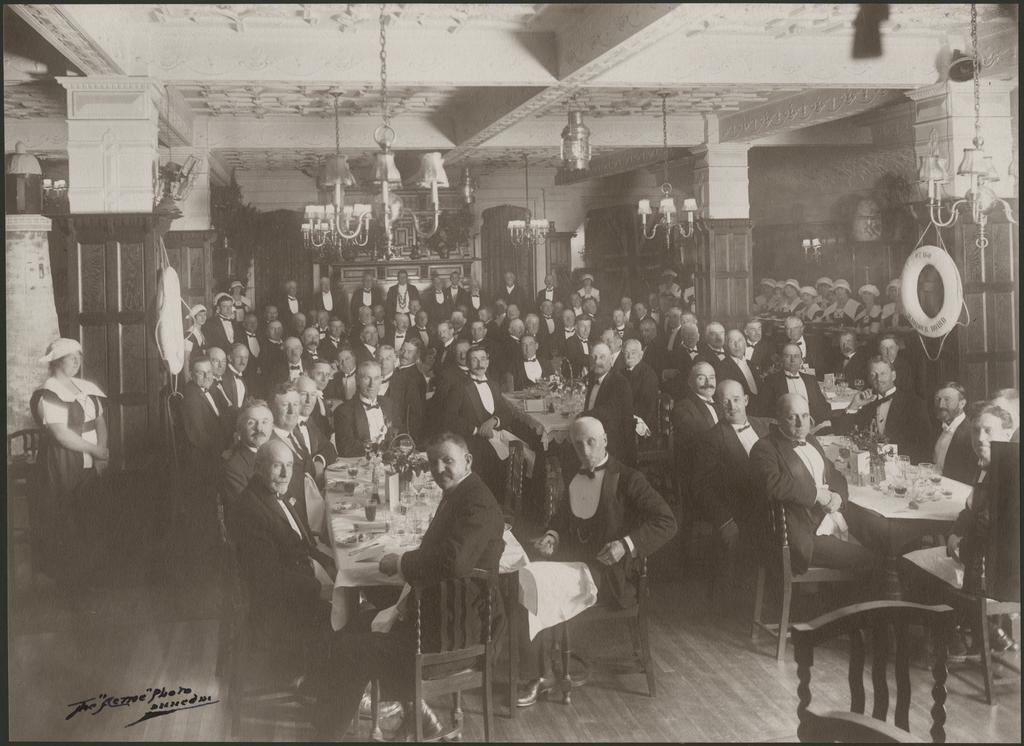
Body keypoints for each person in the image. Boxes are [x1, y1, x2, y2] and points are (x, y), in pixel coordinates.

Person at [319, 432, 505, 739]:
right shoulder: (462, 492)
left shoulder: (477, 503)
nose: (439, 468)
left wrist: (402, 563)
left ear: (468, 461)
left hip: (458, 634)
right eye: (433, 462)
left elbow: (455, 562)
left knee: (349, 649)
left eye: (448, 461)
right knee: (358, 623)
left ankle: (325, 735)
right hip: (446, 614)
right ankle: (418, 715)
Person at [517, 417, 677, 706]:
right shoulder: (575, 475)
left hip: (614, 576)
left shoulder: (628, 478)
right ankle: (542, 668)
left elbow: (667, 521)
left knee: (541, 582)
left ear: (605, 441)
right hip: (579, 568)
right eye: (578, 444)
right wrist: (552, 535)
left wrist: (626, 545)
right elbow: (564, 517)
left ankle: (542, 674)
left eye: (591, 442)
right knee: (528, 575)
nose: (585, 450)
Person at [228, 439, 334, 686]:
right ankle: (329, 684)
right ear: (259, 467)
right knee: (352, 608)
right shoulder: (250, 510)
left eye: (289, 465)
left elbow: (300, 544)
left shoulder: (271, 494)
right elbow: (268, 579)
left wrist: (326, 564)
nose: (286, 474)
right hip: (278, 609)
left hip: (297, 580)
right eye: (278, 466)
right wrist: (319, 588)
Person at [750, 393, 878, 575]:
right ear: (778, 419)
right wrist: (817, 494)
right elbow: (772, 484)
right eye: (792, 417)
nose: (801, 424)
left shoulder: (810, 439)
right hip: (802, 533)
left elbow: (833, 473)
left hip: (828, 518)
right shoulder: (765, 448)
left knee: (879, 538)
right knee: (871, 558)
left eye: (804, 416)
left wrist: (839, 497)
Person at [29, 338, 110, 584]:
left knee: (92, 513)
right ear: (56, 361)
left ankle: (92, 574)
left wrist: (101, 452)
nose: (77, 361)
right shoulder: (49, 393)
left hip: (92, 459)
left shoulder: (85, 388)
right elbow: (61, 434)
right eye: (71, 356)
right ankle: (69, 579)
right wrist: (96, 451)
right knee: (68, 515)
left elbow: (100, 423)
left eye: (79, 356)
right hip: (64, 461)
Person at [691, 379, 772, 580]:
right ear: (718, 406)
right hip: (743, 512)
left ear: (745, 400)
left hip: (775, 502)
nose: (732, 406)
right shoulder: (712, 439)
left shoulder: (764, 426)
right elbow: (701, 486)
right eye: (725, 401)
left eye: (736, 399)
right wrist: (725, 521)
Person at [443, 347, 534, 495]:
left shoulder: (493, 385)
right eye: (474, 359)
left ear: (488, 361)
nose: (480, 363)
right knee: (492, 462)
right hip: (471, 439)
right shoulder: (459, 387)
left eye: (483, 359)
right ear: (467, 363)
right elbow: (449, 418)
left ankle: (510, 504)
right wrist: (476, 430)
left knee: (524, 454)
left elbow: (506, 413)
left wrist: (494, 420)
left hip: (495, 436)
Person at [835, 356, 932, 463]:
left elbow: (925, 445)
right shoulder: (869, 402)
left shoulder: (914, 403)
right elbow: (843, 433)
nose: (878, 379)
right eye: (873, 375)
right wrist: (854, 405)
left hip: (901, 465)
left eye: (883, 374)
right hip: (871, 464)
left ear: (893, 375)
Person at [583, 342, 636, 466]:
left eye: (602, 357)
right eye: (594, 357)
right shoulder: (593, 377)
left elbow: (608, 412)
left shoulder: (619, 382)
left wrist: (583, 415)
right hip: (596, 434)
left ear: (611, 360)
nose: (597, 362)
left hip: (615, 443)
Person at [332, 361, 397, 457]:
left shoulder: (388, 403)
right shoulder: (344, 411)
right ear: (357, 380)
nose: (372, 384)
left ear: (381, 380)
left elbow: (392, 439)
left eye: (376, 378)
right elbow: (345, 448)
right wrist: (376, 448)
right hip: (360, 466)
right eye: (367, 378)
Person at [760, 344, 831, 426]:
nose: (792, 360)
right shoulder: (771, 381)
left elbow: (823, 406)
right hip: (785, 428)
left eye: (796, 356)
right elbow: (764, 410)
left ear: (801, 360)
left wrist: (813, 420)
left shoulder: (811, 380)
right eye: (788, 356)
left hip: (812, 427)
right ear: (782, 359)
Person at [222, 400, 275, 500]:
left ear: (272, 427)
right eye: (251, 423)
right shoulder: (234, 468)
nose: (259, 428)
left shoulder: (277, 453)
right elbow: (249, 509)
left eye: (264, 422)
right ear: (240, 429)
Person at [181, 356, 230, 459]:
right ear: (191, 375)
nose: (206, 376)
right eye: (200, 373)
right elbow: (198, 434)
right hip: (206, 455)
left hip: (220, 445)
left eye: (209, 372)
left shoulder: (210, 388)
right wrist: (221, 453)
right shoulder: (191, 397)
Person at [932, 382, 974, 484]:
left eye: (947, 400)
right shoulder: (937, 426)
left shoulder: (971, 433)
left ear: (962, 403)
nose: (941, 405)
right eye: (938, 399)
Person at [390, 341, 427, 440]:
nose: (404, 355)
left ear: (417, 355)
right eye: (403, 350)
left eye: (409, 352)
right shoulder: (397, 371)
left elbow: (415, 414)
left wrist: (406, 437)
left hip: (402, 434)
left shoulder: (415, 378)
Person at [621, 339, 659, 435]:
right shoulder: (620, 373)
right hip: (623, 420)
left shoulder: (648, 374)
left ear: (641, 355)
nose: (629, 356)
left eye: (633, 353)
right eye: (626, 353)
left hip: (642, 425)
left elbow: (644, 407)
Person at [717, 329, 761, 407]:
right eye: (732, 342)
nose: (737, 345)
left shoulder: (751, 364)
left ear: (745, 343)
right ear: (726, 345)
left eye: (740, 340)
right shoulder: (721, 367)